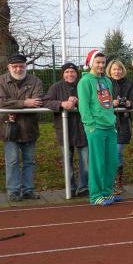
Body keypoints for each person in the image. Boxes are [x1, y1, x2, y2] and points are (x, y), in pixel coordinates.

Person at [0, 53, 44, 202]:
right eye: (15, 66)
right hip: (8, 128)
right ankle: (13, 191)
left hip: (29, 127)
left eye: (21, 66)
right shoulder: (0, 81)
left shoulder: (36, 81)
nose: (18, 69)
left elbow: (37, 101)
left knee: (29, 161)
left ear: (25, 66)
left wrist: (13, 105)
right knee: (12, 161)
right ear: (9, 67)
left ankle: (28, 190)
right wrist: (24, 103)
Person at [77, 49, 120, 206]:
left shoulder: (107, 81)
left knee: (112, 161)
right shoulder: (85, 81)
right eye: (98, 62)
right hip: (96, 128)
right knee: (97, 163)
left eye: (103, 62)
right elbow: (84, 106)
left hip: (110, 126)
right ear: (91, 63)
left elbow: (108, 105)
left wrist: (112, 122)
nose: (101, 65)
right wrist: (90, 125)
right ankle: (95, 195)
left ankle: (107, 192)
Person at [43, 61, 89, 197]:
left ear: (77, 73)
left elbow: (92, 101)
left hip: (83, 128)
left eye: (72, 72)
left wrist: (79, 102)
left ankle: (84, 187)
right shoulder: (56, 87)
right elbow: (46, 101)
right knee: (67, 161)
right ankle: (71, 187)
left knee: (86, 160)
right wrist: (62, 103)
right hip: (64, 129)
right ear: (63, 74)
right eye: (67, 72)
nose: (70, 74)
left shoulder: (83, 85)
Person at [107, 59, 133, 195]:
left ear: (122, 70)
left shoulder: (129, 83)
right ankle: (108, 182)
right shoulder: (104, 83)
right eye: (114, 69)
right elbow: (99, 101)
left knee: (117, 151)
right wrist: (111, 102)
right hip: (108, 122)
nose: (117, 72)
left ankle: (117, 182)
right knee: (109, 152)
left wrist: (129, 103)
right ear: (110, 70)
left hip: (123, 122)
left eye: (119, 69)